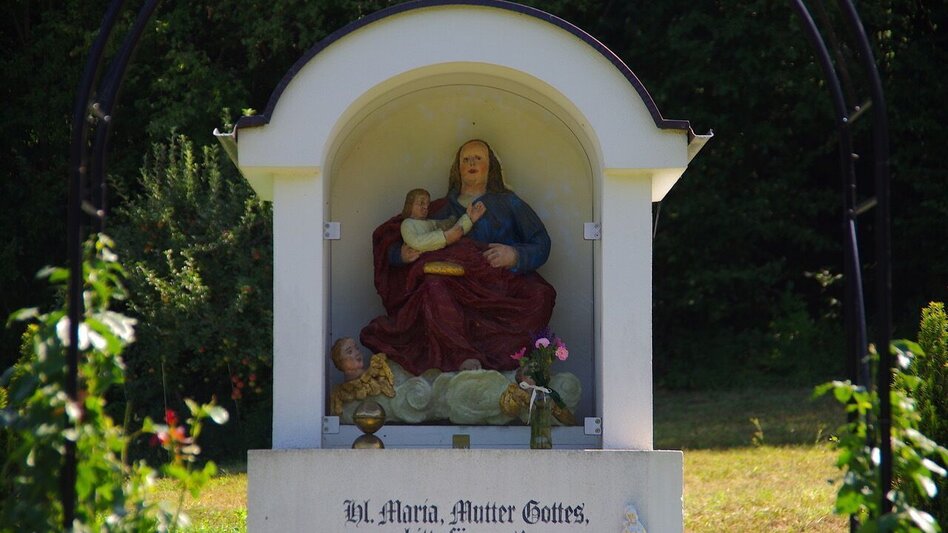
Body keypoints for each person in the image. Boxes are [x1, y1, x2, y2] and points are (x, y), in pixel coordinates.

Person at [361, 139, 556, 374]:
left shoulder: (509, 203)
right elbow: (398, 236)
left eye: (478, 158)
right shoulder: (440, 209)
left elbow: (541, 242)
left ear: (490, 166)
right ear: (458, 168)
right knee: (432, 287)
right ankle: (462, 355)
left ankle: (507, 360)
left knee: (541, 295)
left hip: (500, 283)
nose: (471, 163)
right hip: (453, 284)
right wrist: (401, 254)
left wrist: (513, 255)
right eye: (466, 159)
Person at [399, 188, 486, 252]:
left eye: (427, 204)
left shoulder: (431, 222)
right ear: (410, 205)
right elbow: (416, 243)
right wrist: (445, 238)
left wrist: (469, 218)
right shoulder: (407, 224)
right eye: (421, 203)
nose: (426, 207)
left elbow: (454, 229)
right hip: (424, 263)